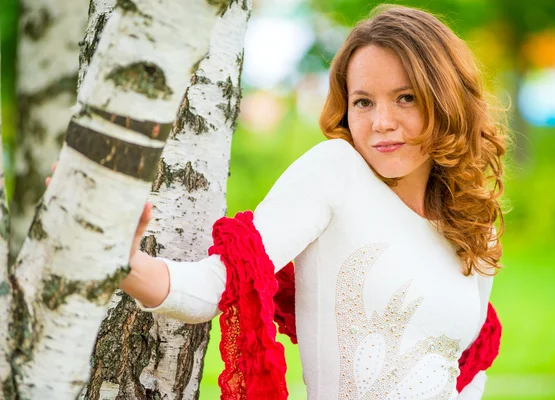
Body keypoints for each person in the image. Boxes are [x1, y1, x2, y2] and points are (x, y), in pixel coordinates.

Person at [49, 4, 507, 399]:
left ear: (444, 100)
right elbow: (215, 285)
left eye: (405, 98)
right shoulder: (335, 172)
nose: (381, 121)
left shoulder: (475, 227)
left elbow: (468, 372)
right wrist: (120, 260)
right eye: (363, 102)